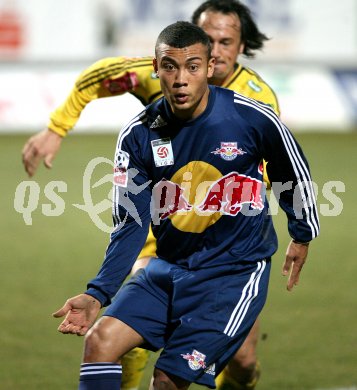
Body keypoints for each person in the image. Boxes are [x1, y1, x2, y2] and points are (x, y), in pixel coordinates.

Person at [53, 21, 319, 390]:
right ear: (155, 68)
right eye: (170, 66)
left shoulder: (252, 118)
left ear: (209, 68)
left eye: (193, 66)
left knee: (166, 380)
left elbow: (293, 171)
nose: (181, 78)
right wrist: (98, 293)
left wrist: (302, 233)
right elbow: (130, 223)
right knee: (99, 341)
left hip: (233, 275)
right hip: (168, 269)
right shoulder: (138, 135)